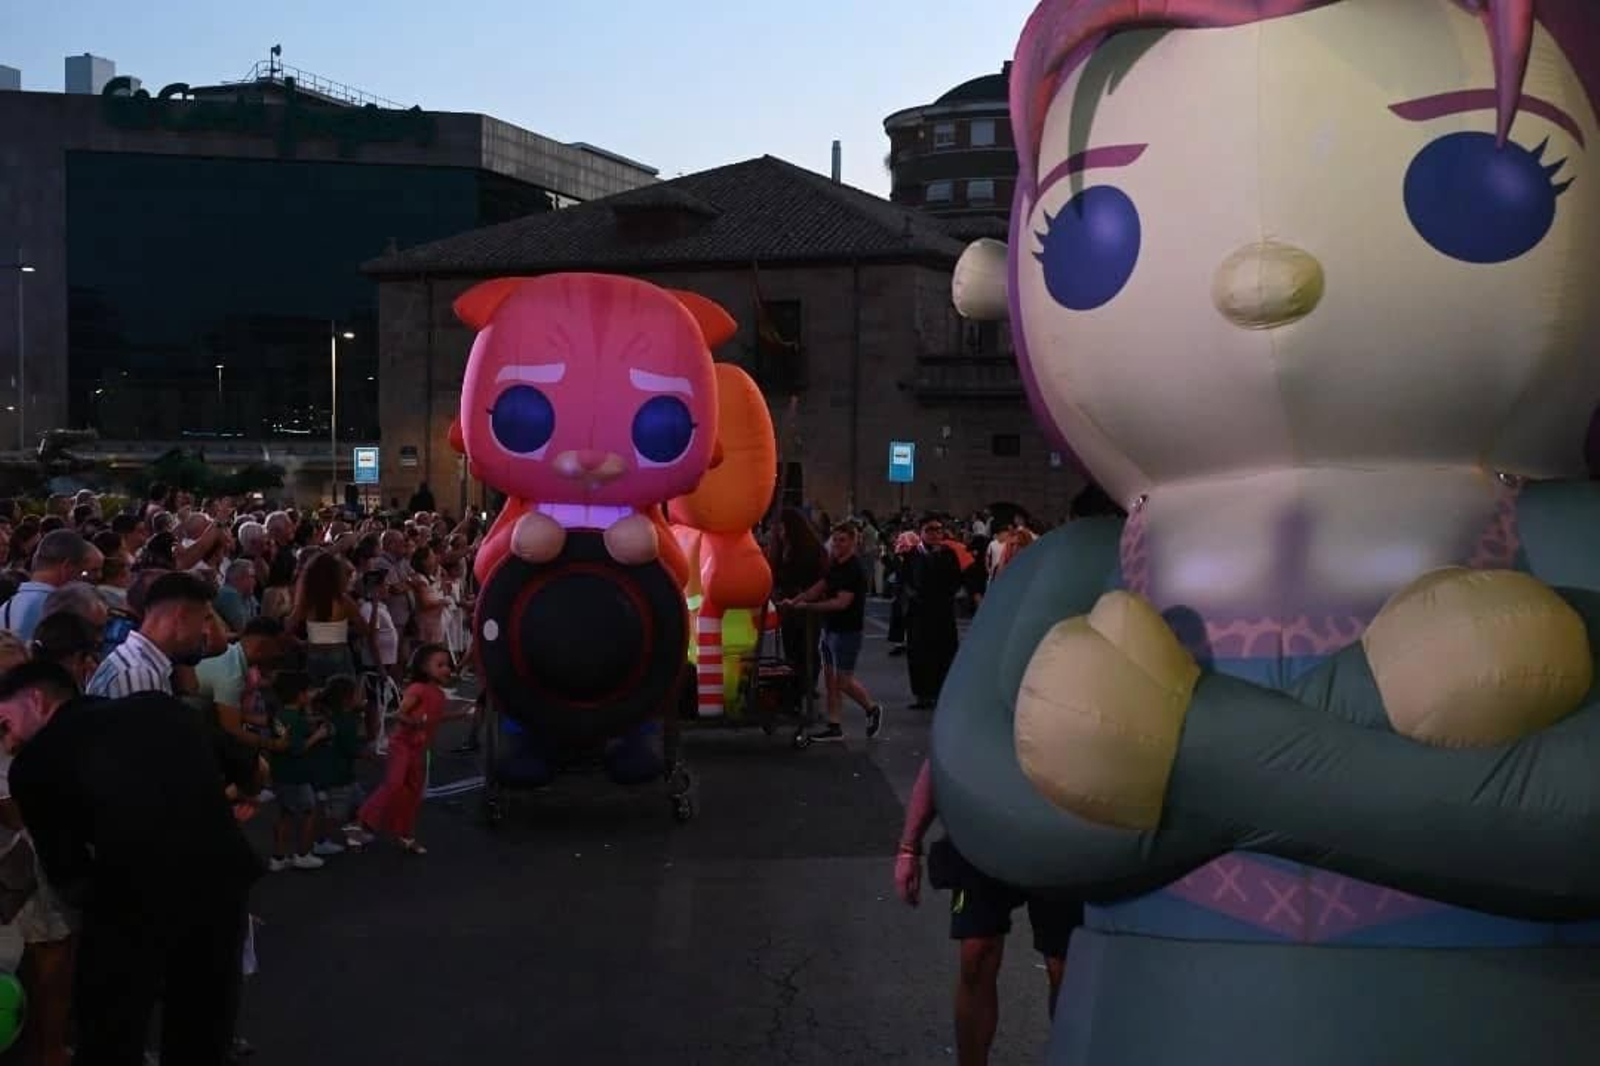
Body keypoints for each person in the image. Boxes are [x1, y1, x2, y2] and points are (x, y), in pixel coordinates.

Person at [1, 661, 266, 1065]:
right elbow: (252, 768)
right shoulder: (159, 708)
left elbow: (67, 873)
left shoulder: (36, 763)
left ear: (36, 700)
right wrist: (232, 799)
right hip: (218, 884)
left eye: (6, 723)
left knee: (112, 1032)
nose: (8, 741)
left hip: (129, 905)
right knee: (204, 1023)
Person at [895, 760, 1080, 1066]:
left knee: (1065, 967)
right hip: (984, 825)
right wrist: (908, 847)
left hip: (1059, 831)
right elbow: (943, 751)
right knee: (976, 954)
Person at [358, 644, 471, 855]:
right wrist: (414, 723)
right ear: (423, 667)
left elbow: (434, 719)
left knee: (413, 794)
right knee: (394, 784)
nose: (446, 669)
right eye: (439, 665)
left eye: (447, 664)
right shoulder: (417, 689)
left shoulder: (439, 694)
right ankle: (363, 819)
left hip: (420, 750)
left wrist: (458, 715)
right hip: (402, 745)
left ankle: (406, 835)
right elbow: (399, 715)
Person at [779, 523, 884, 743]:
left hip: (847, 632)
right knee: (830, 680)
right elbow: (818, 587)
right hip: (830, 629)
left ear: (853, 542)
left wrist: (807, 608)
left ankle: (872, 708)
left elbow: (841, 603)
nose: (837, 544)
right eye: (835, 540)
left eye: (842, 540)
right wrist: (795, 600)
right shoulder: (836, 564)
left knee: (843, 681)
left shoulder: (855, 569)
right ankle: (834, 726)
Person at [85, 571, 217, 698]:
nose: (207, 631)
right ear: (181, 616)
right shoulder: (138, 675)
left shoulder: (142, 665)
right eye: (205, 619)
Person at [265, 670, 332, 872]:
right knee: (309, 812)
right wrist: (319, 735)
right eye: (308, 691)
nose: (311, 695)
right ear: (300, 694)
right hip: (296, 775)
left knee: (285, 813)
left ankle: (278, 857)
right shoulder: (296, 719)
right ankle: (303, 854)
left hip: (280, 773)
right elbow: (298, 748)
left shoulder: (280, 715)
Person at [304, 675, 372, 853]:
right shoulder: (346, 722)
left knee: (359, 804)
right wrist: (367, 754)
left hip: (338, 774)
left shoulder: (334, 717)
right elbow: (351, 748)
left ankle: (353, 833)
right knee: (336, 814)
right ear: (347, 699)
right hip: (338, 776)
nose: (361, 696)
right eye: (358, 693)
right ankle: (321, 842)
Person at [0, 531, 103, 642]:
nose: (85, 581)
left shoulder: (6, 606)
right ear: (66, 567)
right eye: (83, 573)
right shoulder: (61, 611)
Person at [905, 517, 963, 710]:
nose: (935, 534)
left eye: (938, 530)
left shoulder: (949, 554)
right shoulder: (913, 554)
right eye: (930, 530)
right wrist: (913, 596)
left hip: (942, 612)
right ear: (921, 532)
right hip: (920, 613)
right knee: (920, 654)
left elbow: (956, 580)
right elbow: (905, 580)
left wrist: (947, 596)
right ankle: (922, 694)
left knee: (944, 652)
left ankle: (942, 693)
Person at [214, 559, 260, 635]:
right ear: (237, 578)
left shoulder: (248, 595)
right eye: (251, 577)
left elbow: (257, 620)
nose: (255, 582)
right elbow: (244, 629)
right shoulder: (229, 594)